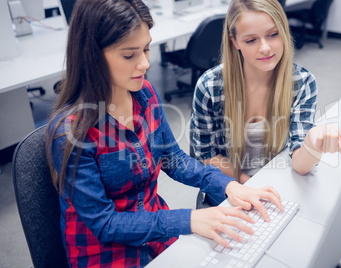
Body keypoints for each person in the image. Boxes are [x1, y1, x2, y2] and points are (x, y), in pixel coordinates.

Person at [46, 0, 284, 267]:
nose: (145, 63)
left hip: (156, 231)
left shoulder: (144, 93)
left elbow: (174, 159)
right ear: (92, 55)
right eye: (129, 55)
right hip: (106, 252)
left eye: (146, 49)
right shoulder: (70, 132)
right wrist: (189, 220)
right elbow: (105, 223)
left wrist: (229, 186)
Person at [191, 0, 341, 185]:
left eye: (273, 34)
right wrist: (250, 185)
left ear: (284, 31)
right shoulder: (210, 86)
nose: (265, 48)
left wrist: (311, 143)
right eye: (251, 40)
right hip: (228, 187)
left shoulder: (301, 81)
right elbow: (205, 156)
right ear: (234, 41)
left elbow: (301, 166)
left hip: (279, 184)